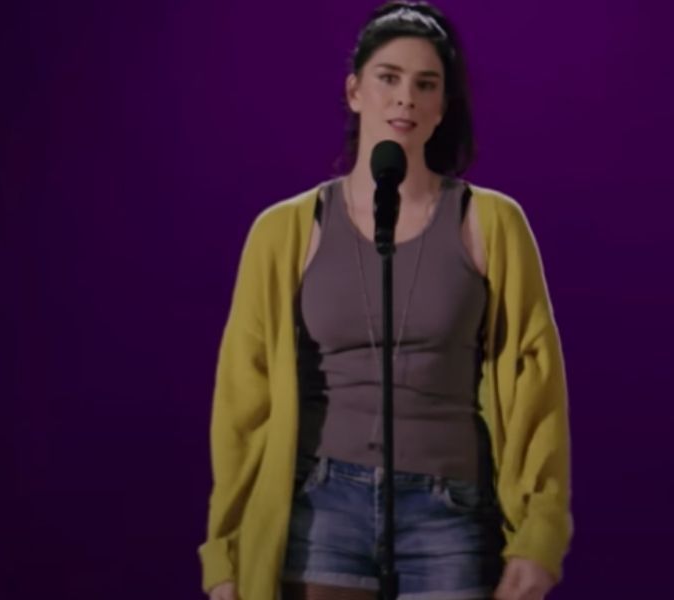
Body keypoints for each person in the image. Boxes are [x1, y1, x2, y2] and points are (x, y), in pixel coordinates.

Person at [199, 3, 572, 599]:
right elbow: (244, 398)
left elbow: (537, 382)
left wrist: (540, 533)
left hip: (449, 511)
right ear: (354, 91)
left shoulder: (492, 223)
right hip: (323, 507)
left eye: (426, 85)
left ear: (442, 106)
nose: (406, 98)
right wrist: (226, 553)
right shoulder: (283, 230)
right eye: (389, 78)